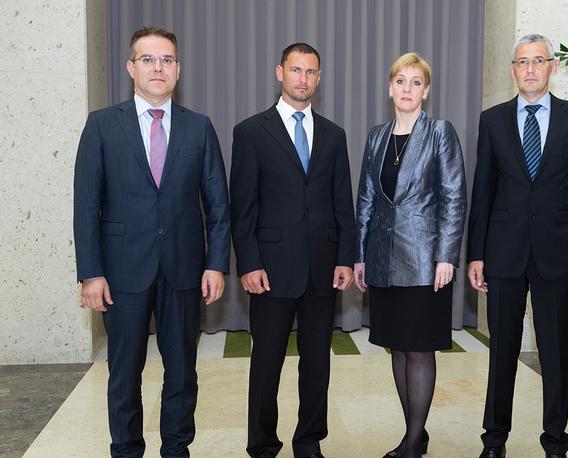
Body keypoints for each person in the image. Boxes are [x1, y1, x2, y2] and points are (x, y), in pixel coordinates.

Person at [73, 26, 231, 457]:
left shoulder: (200, 128)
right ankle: (125, 449)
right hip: (121, 272)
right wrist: (91, 273)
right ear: (131, 67)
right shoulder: (102, 125)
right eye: (148, 59)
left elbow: (218, 203)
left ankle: (176, 448)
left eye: (166, 60)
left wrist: (216, 263)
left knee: (182, 371)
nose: (157, 68)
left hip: (183, 270)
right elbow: (86, 205)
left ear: (178, 70)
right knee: (124, 372)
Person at [466, 34, 568, 458]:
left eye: (537, 60)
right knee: (501, 354)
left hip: (557, 254)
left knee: (554, 355)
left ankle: (556, 442)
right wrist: (476, 253)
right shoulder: (492, 120)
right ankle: (494, 441)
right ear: (512, 70)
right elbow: (482, 192)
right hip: (504, 255)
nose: (529, 68)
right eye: (522, 61)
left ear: (552, 67)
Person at [230, 42, 355, 458]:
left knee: (317, 363)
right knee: (266, 363)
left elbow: (343, 204)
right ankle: (262, 443)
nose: (304, 78)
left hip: (323, 268)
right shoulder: (250, 132)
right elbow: (242, 207)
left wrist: (344, 258)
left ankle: (309, 442)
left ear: (319, 78)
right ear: (279, 72)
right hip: (270, 269)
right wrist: (248, 263)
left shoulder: (334, 135)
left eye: (311, 72)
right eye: (296, 70)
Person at [354, 52, 466, 458]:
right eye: (401, 81)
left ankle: (412, 442)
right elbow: (366, 198)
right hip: (383, 260)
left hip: (424, 261)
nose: (407, 89)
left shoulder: (440, 132)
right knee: (397, 348)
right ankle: (414, 434)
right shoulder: (376, 135)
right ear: (390, 88)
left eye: (416, 82)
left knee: (419, 349)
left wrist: (446, 256)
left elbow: (454, 198)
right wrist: (360, 255)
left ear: (426, 90)